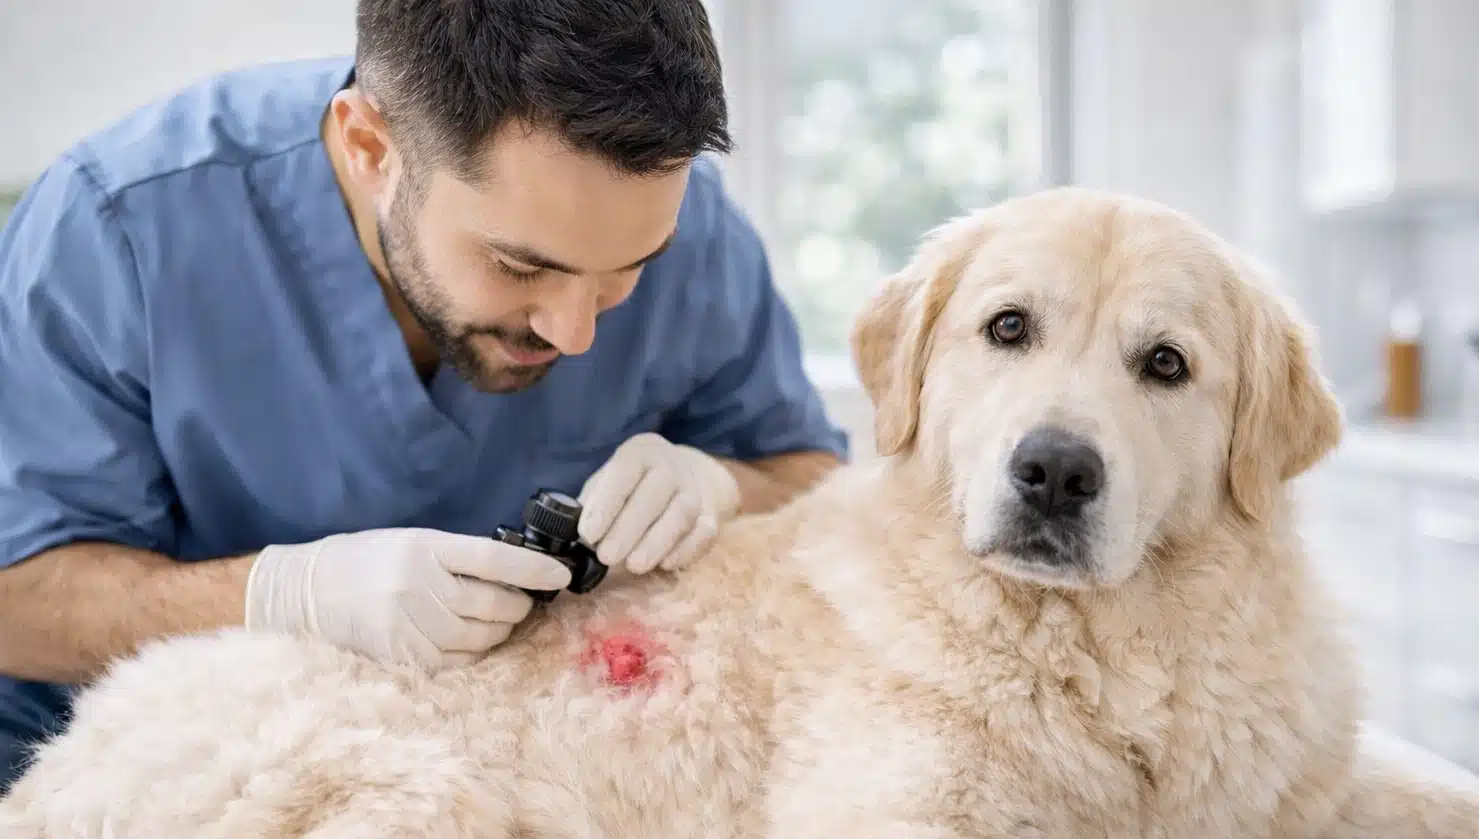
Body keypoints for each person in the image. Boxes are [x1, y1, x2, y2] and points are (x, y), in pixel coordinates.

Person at [0, 0, 849, 794]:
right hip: (128, 776)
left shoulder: (689, 229)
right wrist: (282, 598)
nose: (575, 332)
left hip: (516, 780)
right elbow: (17, 601)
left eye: (629, 270)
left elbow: (811, 476)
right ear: (370, 146)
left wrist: (723, 487)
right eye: (520, 265)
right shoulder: (118, 228)